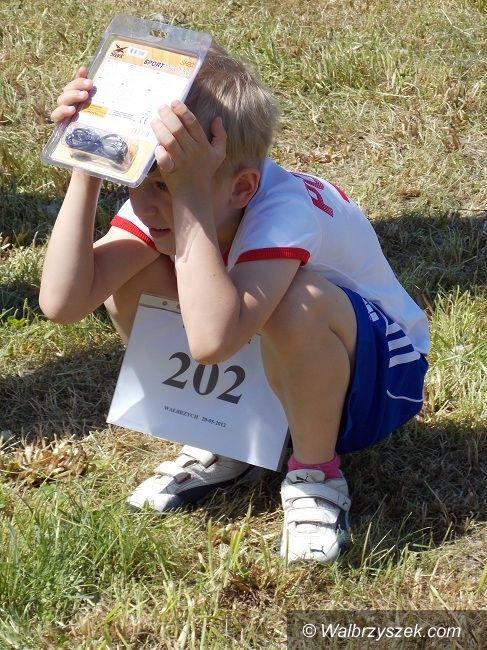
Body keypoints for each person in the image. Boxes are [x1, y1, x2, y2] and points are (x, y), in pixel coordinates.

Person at [40, 42, 429, 564]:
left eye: (163, 184)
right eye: (135, 178)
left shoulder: (283, 210)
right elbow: (62, 302)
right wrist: (85, 164)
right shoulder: (164, 201)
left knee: (295, 301)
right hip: (269, 358)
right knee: (130, 276)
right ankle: (226, 436)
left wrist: (189, 197)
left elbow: (212, 342)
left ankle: (316, 475)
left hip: (378, 380)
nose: (144, 203)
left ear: (242, 187)